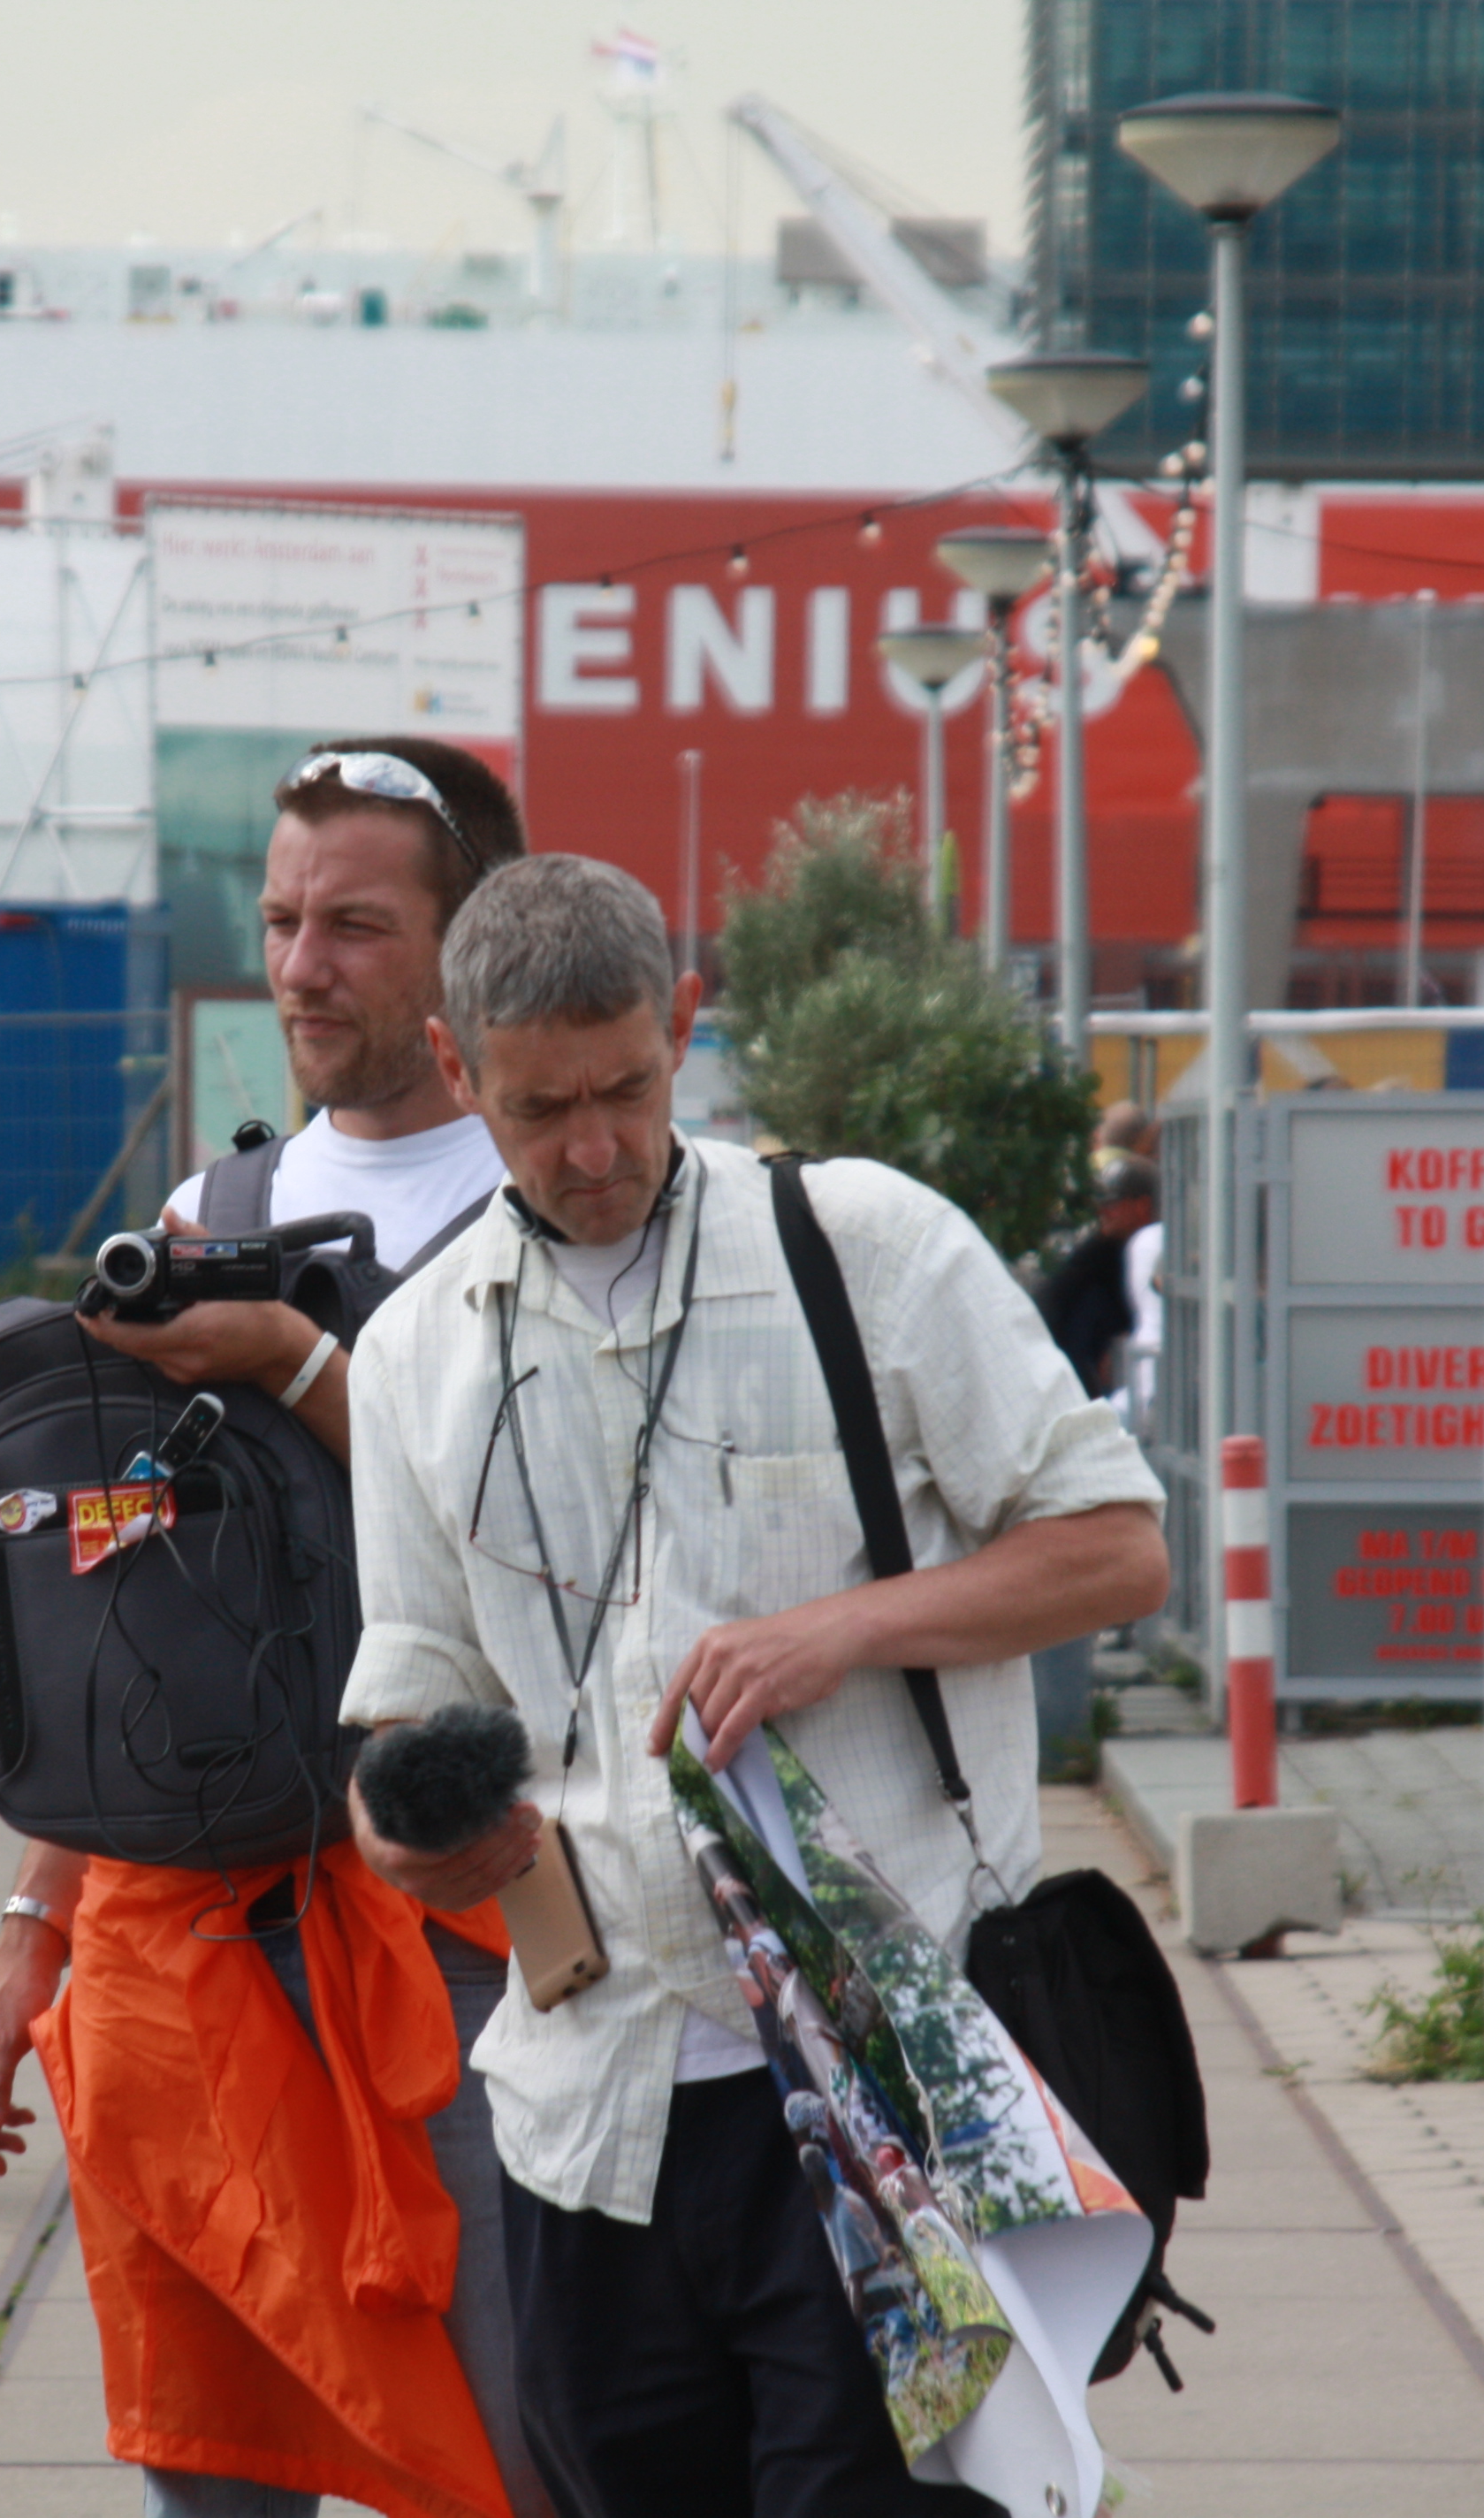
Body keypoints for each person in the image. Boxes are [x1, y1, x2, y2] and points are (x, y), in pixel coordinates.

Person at [337, 854, 1170, 2518]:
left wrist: (843, 1628)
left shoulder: (866, 1246)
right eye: (539, 1109)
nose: (593, 1147)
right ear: (454, 1068)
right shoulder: (414, 1351)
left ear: (687, 1024)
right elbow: (408, 1702)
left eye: (627, 1089)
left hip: (885, 2095)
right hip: (589, 2120)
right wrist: (403, 1834)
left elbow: (1117, 1550)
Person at [0, 736, 552, 2518]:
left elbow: (539, 1548)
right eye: (280, 921)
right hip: (197, 1934)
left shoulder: (553, 1193)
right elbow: (129, 1613)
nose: (299, 967)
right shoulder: (216, 1215)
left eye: (353, 924)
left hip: (462, 1924)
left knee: (511, 2437)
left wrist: (294, 1360)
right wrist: (30, 1927)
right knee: (211, 2457)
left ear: (468, 940)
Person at [1035, 1159, 1155, 1408]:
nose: (1102, 1211)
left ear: (1142, 1206)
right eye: (1100, 1203)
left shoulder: (1161, 1251)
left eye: (1111, 1204)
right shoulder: (1095, 1258)